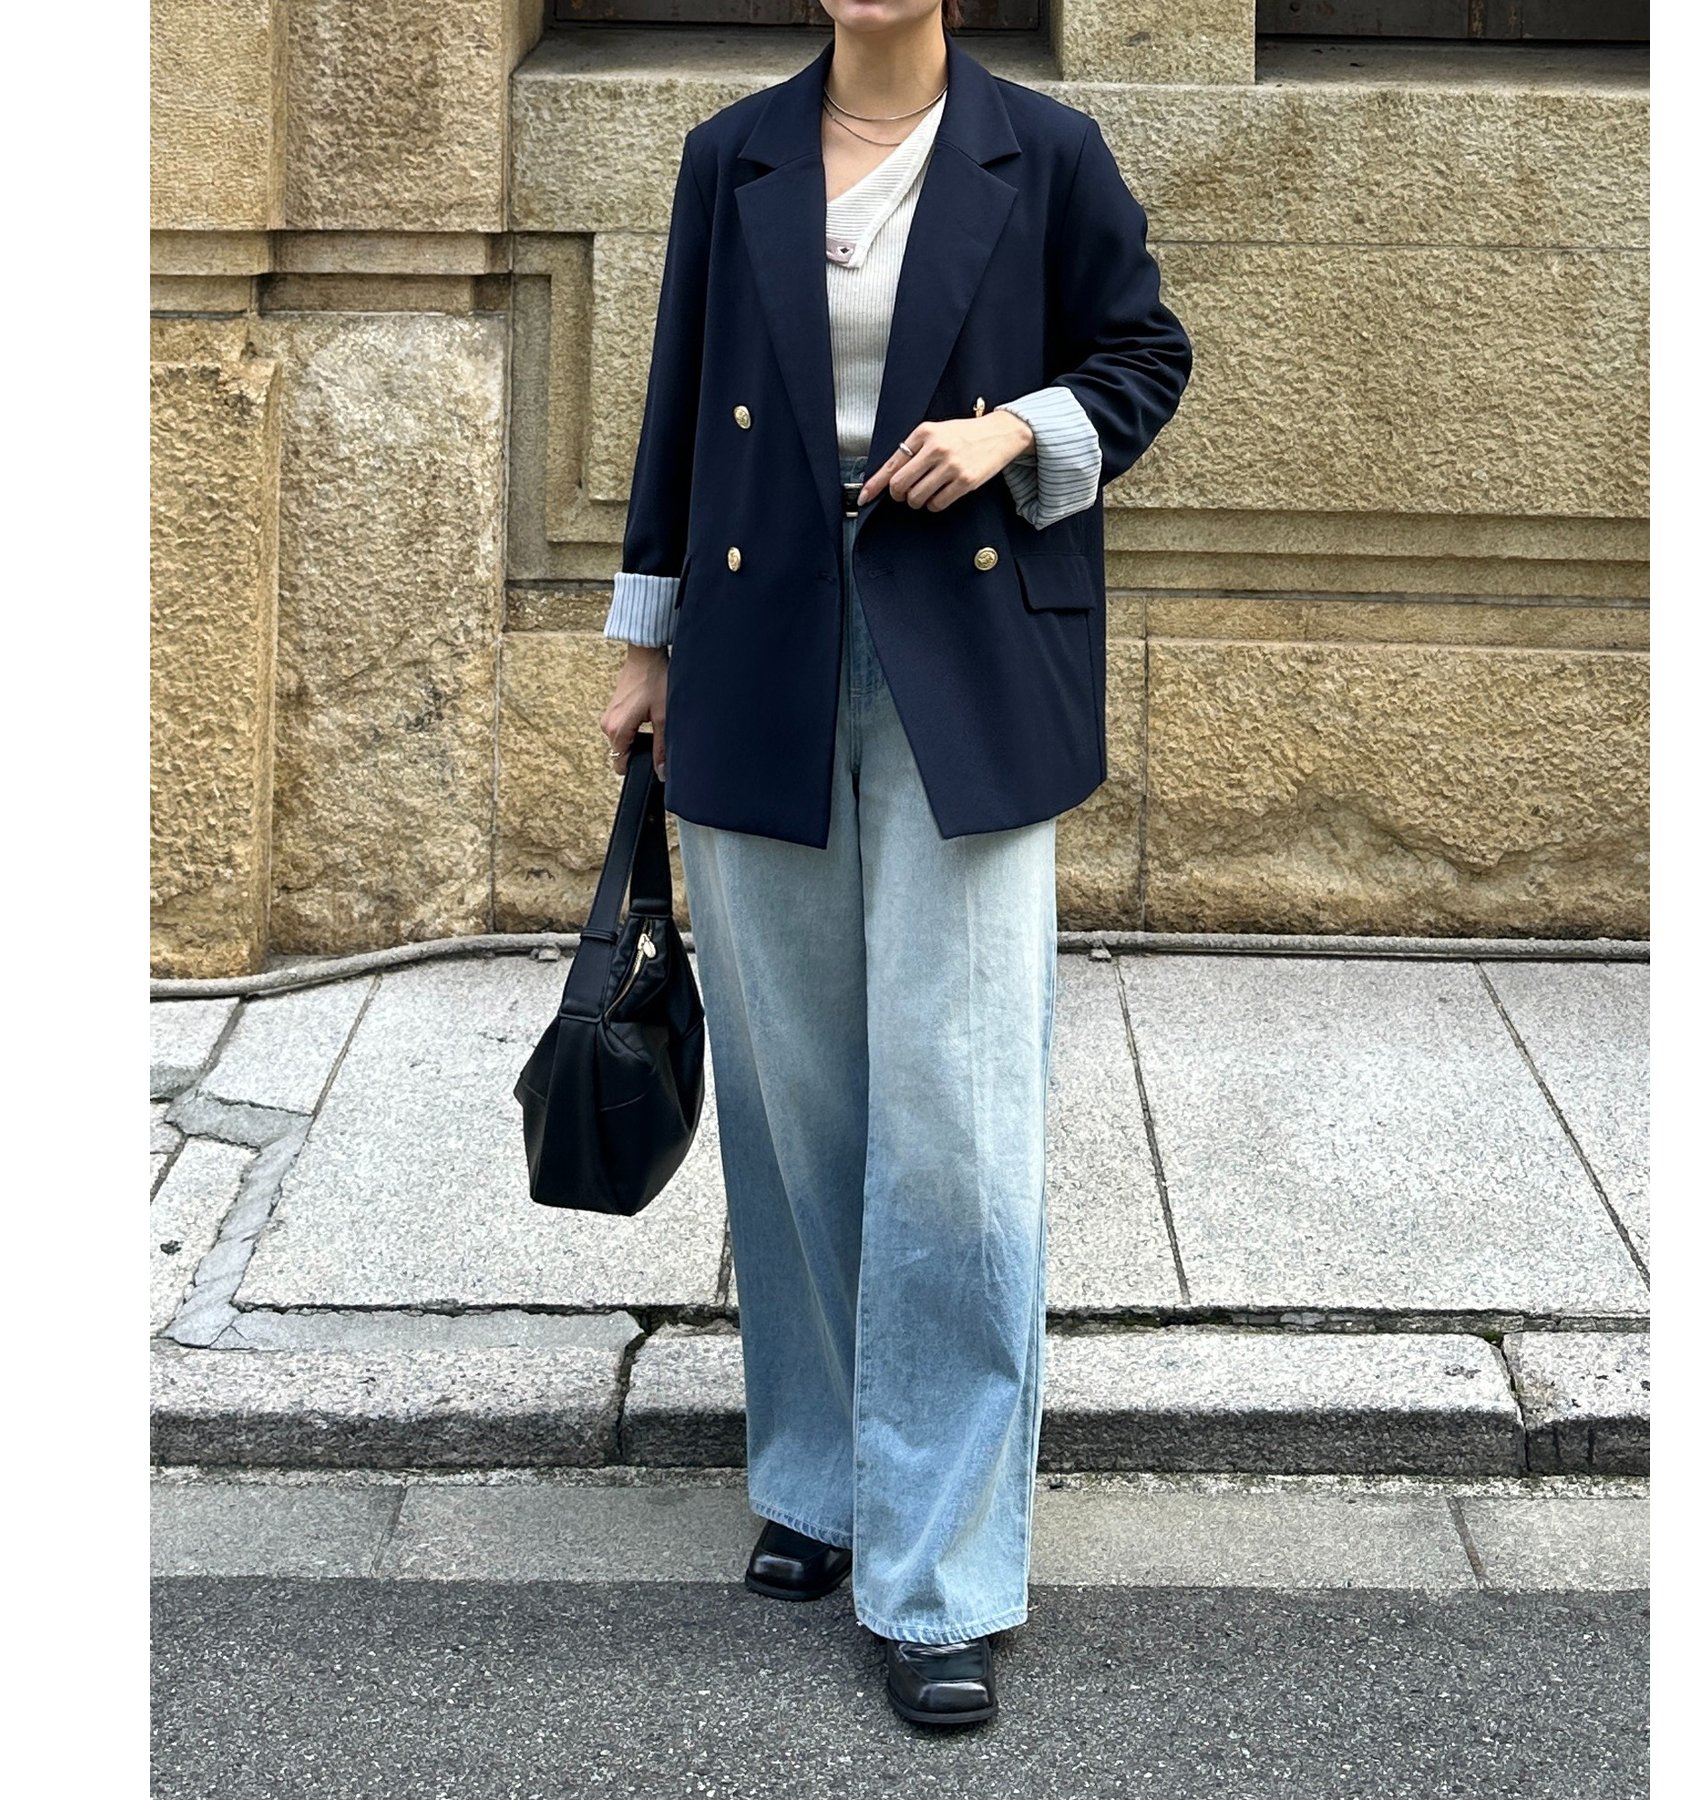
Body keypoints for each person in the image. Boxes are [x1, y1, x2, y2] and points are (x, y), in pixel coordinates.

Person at [596, 0, 1190, 1729]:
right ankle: (823, 1477)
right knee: (796, 1099)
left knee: (958, 1118)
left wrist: (1018, 431)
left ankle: (941, 1573)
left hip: (972, 658)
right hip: (755, 651)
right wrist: (643, 640)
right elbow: (677, 406)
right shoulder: (734, 157)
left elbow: (1145, 357)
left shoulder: (1044, 151)